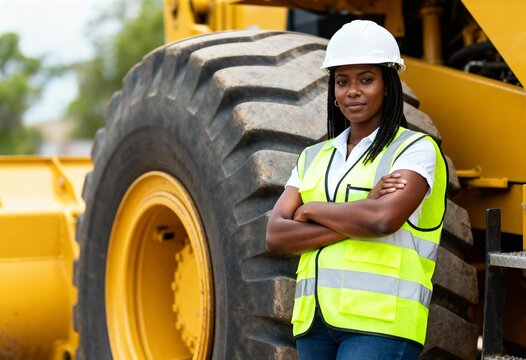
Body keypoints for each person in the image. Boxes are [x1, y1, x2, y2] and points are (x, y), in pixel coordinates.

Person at [266, 20, 448, 360]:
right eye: (342, 81)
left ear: (388, 86)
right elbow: (276, 235)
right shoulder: (313, 157)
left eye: (366, 79)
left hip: (381, 323)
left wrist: (309, 210)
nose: (352, 90)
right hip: (314, 323)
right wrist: (358, 211)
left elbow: (382, 219)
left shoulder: (414, 150)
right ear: (333, 92)